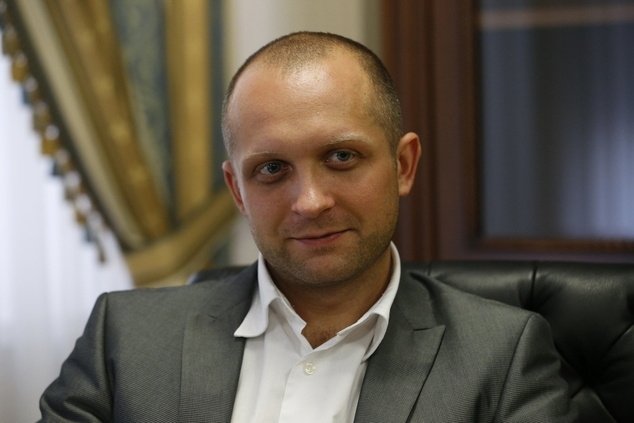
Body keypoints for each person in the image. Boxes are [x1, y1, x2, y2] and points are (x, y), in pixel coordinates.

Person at [39, 32, 577, 422]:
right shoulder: (123, 339)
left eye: (341, 156)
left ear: (403, 166)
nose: (311, 202)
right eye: (272, 169)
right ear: (237, 191)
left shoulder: (502, 355)